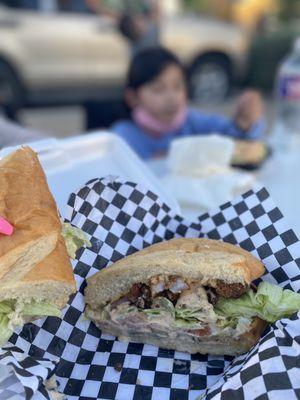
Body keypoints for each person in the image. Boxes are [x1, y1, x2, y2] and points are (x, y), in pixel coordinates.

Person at [112, 47, 265, 159]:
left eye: (178, 86)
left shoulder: (192, 121)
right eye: (158, 89)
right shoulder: (121, 138)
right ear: (133, 98)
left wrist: (244, 124)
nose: (171, 97)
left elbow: (233, 139)